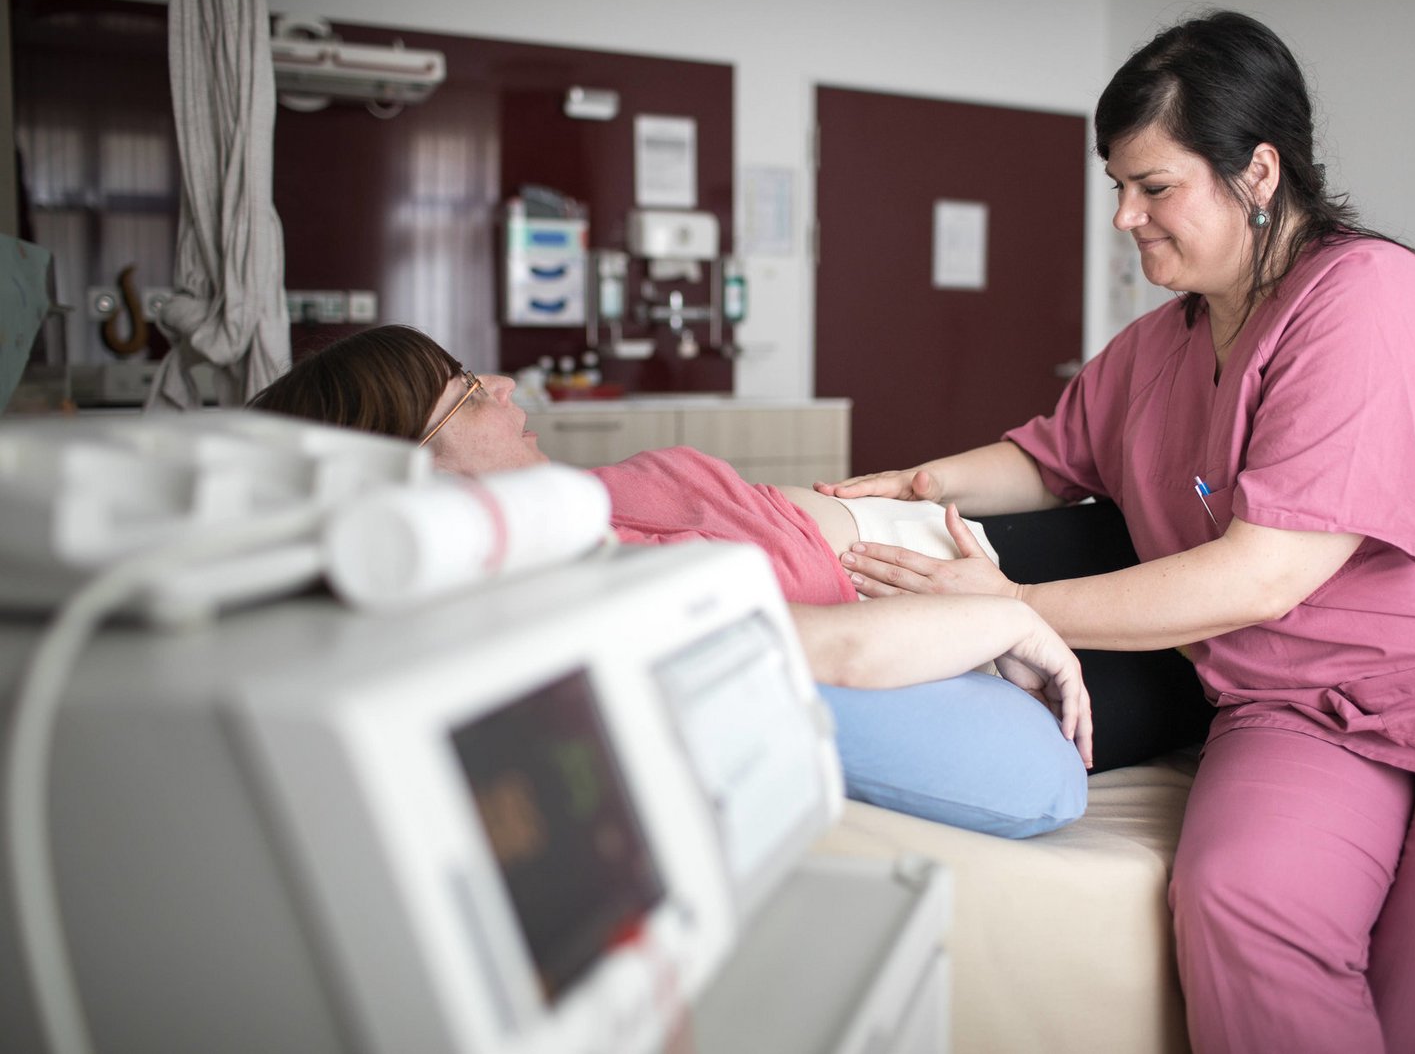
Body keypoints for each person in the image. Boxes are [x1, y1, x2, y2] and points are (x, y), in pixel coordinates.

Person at [816, 9, 1415, 1054]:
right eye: (1117, 188)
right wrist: (910, 482)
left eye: (1153, 187)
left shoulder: (1372, 305)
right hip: (1296, 700)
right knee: (1239, 897)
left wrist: (1006, 608)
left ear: (1258, 172)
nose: (1124, 217)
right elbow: (1053, 454)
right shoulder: (1159, 345)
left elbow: (1260, 575)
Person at [248, 323, 1092, 837]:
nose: (500, 385)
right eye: (467, 393)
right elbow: (841, 652)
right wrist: (1012, 614)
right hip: (977, 580)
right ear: (415, 481)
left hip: (959, 537)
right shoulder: (566, 580)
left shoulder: (560, 511)